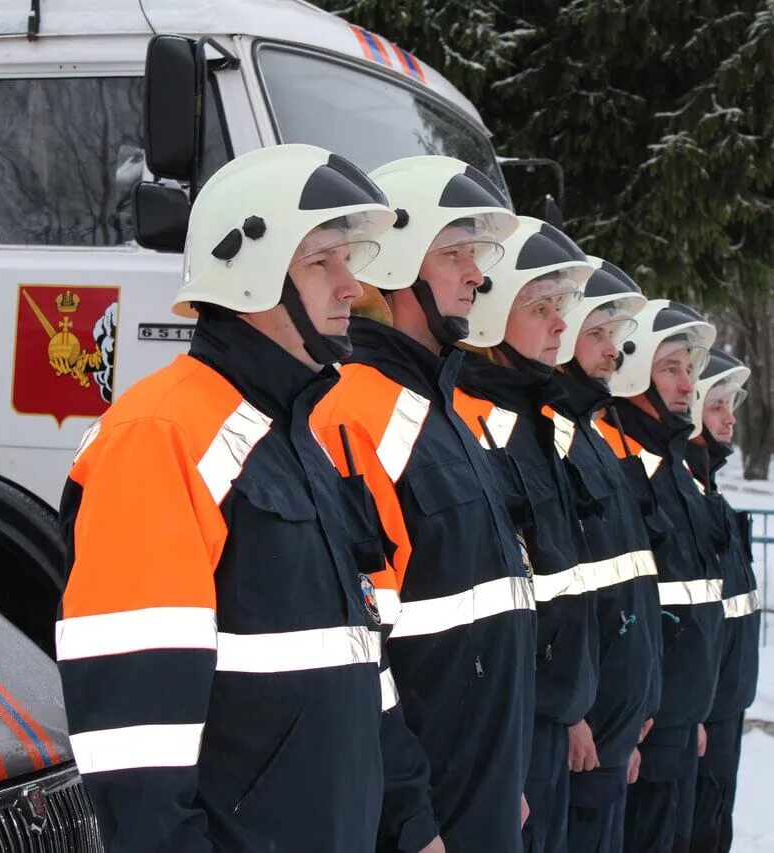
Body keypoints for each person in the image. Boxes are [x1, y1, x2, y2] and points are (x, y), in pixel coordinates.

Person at [55, 144, 443, 853]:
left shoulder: (301, 436)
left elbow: (360, 659)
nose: (352, 287)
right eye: (323, 260)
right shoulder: (160, 435)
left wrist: (412, 821)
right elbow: (134, 738)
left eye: (347, 261)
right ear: (248, 270)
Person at [311, 155, 537, 852]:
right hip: (425, 817)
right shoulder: (351, 413)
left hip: (479, 792)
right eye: (454, 254)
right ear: (398, 265)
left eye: (476, 255)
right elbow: (356, 654)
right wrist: (411, 818)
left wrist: (506, 777)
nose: (477, 274)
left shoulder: (444, 415)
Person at [453, 216, 598, 853]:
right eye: (542, 307)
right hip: (502, 737)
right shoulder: (466, 423)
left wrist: (572, 708)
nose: (561, 326)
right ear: (487, 312)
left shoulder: (528, 421)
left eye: (561, 308)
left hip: (544, 726)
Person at [595, 299, 720, 852]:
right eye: (670, 367)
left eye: (689, 369)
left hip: (675, 714)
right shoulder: (619, 459)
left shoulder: (673, 465)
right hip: (641, 722)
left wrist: (690, 712)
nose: (686, 382)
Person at [548, 258, 662, 852]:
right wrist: (573, 713)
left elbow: (632, 584)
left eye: (614, 339)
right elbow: (559, 594)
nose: (611, 352)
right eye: (597, 334)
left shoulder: (592, 435)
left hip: (615, 725)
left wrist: (642, 703)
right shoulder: (549, 436)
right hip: (582, 734)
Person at [686, 350, 760, 852]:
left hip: (725, 706)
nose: (729, 418)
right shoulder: (682, 498)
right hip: (698, 715)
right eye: (716, 406)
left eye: (730, 405)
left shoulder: (713, 498)